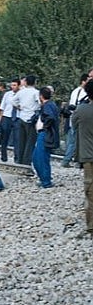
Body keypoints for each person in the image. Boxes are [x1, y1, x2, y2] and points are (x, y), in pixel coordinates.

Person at [72, 79, 93, 237]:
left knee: (90, 192)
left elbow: (74, 125)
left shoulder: (81, 110)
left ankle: (91, 226)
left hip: (88, 156)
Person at [32, 87, 60, 189]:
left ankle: (45, 181)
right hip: (44, 133)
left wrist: (44, 126)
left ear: (41, 96)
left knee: (40, 158)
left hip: (45, 134)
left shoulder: (47, 106)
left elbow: (50, 117)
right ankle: (44, 179)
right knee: (38, 157)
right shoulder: (50, 105)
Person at [61, 74, 89, 167]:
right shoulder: (85, 92)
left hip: (72, 117)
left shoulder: (75, 91)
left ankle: (67, 160)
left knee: (71, 141)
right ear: (83, 81)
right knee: (76, 142)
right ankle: (73, 161)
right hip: (81, 119)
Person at [13, 75, 40, 165]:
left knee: (21, 140)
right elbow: (40, 103)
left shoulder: (21, 92)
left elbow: (13, 101)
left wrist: (18, 106)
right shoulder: (36, 92)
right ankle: (27, 160)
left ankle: (19, 159)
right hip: (31, 118)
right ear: (35, 82)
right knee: (30, 140)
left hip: (21, 116)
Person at [0, 79, 20, 162]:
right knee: (4, 137)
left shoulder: (21, 94)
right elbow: (2, 107)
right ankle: (3, 156)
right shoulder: (7, 94)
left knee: (17, 138)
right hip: (6, 116)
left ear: (18, 85)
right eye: (12, 85)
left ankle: (17, 157)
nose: (13, 87)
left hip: (17, 117)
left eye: (15, 85)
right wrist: (0, 118)